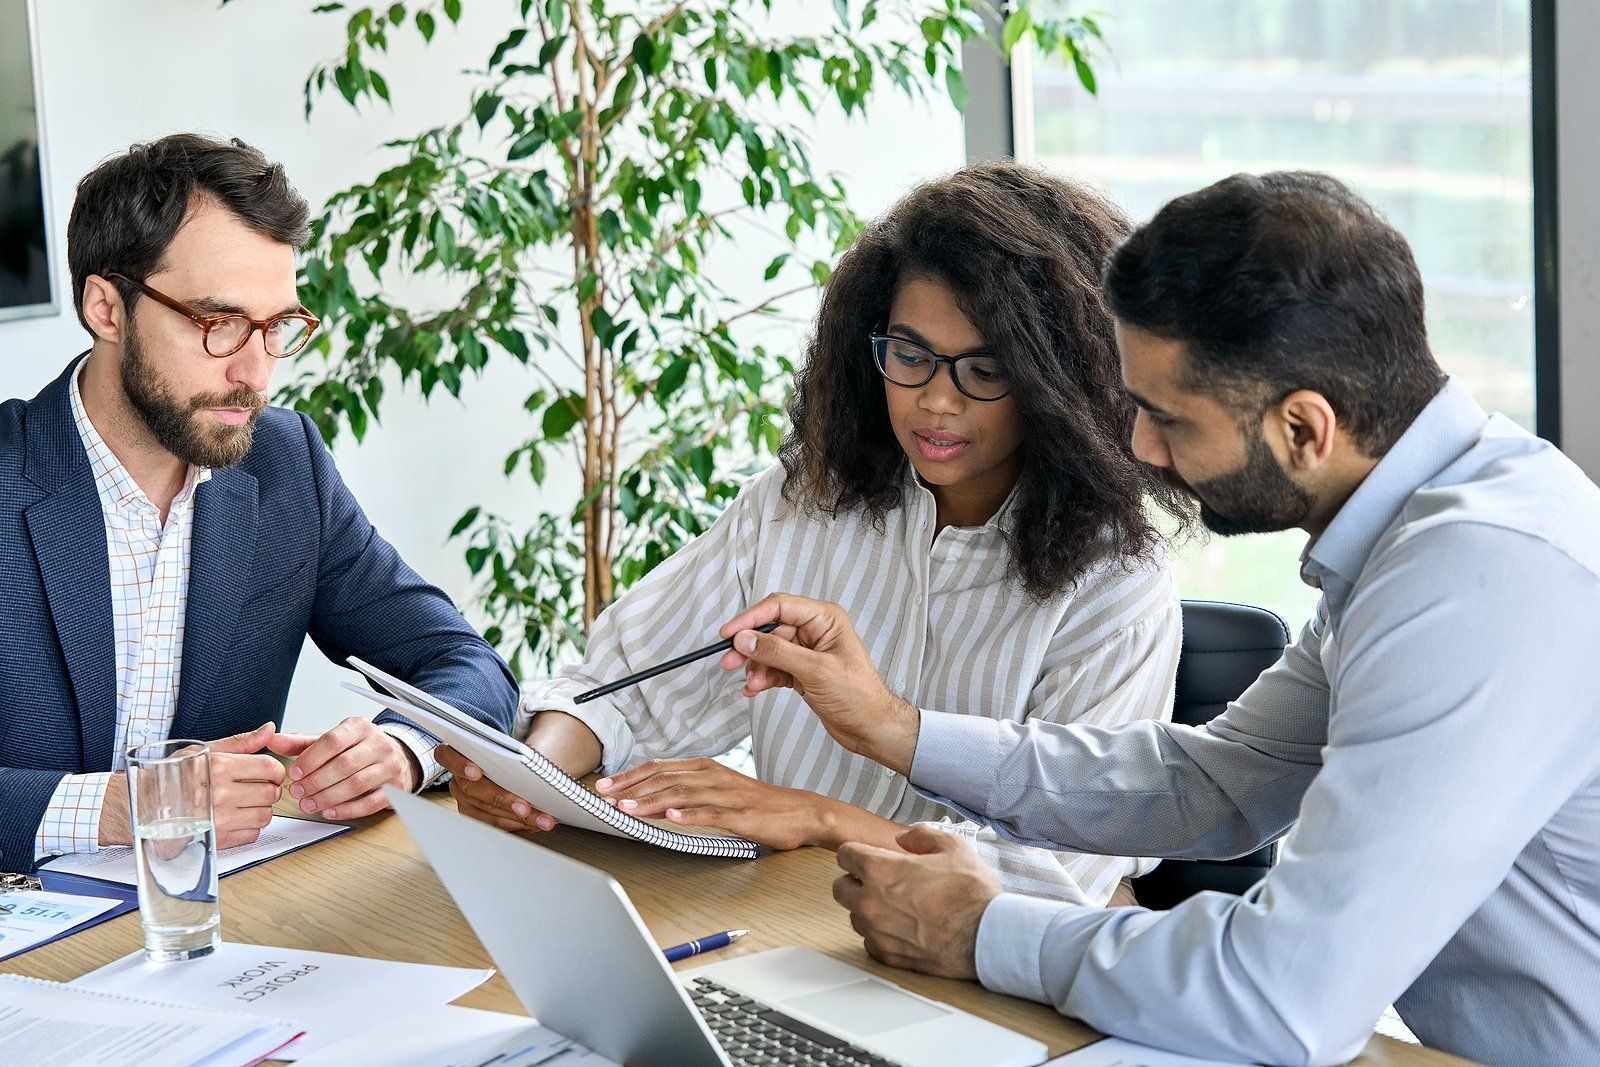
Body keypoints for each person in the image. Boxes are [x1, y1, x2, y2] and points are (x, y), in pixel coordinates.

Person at [729, 171, 1600, 1066]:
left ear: (1305, 428)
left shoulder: (1480, 579)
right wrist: (900, 731)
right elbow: (1215, 784)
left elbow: (1289, 993)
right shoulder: (1415, 536)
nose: (1140, 448)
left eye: (1166, 417)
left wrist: (984, 929)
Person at [441, 160, 1189, 905]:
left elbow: (1065, 875)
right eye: (909, 353)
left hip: (995, 971)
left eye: (983, 369)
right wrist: (533, 776)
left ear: (1058, 379)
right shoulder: (801, 505)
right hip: (791, 928)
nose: (934, 400)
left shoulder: (1118, 584)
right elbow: (623, 689)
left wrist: (819, 819)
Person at [0, 134, 518, 874]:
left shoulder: (285, 464)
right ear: (106, 308)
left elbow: (466, 664)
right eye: (218, 323)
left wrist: (400, 748)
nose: (254, 371)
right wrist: (126, 806)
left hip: (224, 930)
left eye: (277, 326)